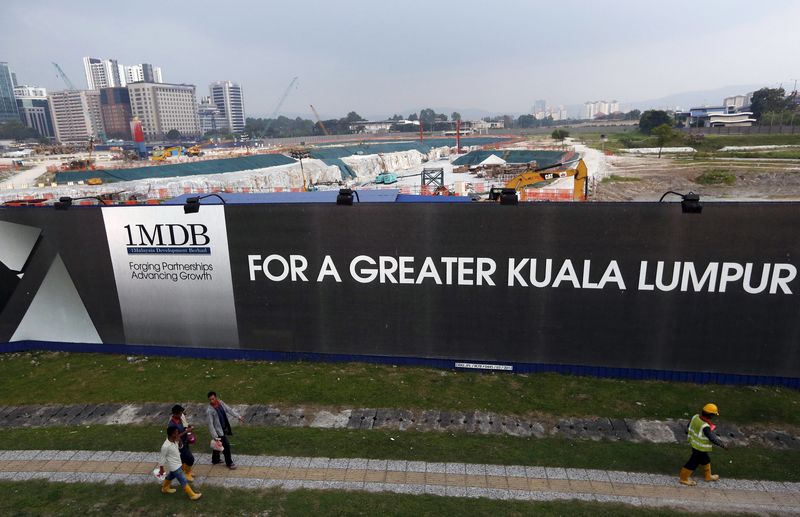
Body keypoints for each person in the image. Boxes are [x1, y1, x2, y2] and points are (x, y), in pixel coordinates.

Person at [679, 403, 730, 486]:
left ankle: (708, 476)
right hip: (700, 447)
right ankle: (683, 478)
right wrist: (723, 445)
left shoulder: (695, 417)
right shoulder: (705, 426)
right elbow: (712, 438)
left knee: (705, 460)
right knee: (693, 463)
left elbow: (689, 426)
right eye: (713, 415)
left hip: (694, 443)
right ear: (710, 415)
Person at [158, 426, 202, 500]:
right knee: (183, 480)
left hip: (178, 463)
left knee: (171, 476)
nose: (178, 433)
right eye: (176, 432)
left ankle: (165, 488)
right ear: (172, 434)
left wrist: (180, 441)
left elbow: (181, 447)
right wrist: (161, 469)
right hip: (174, 466)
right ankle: (192, 495)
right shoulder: (165, 446)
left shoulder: (175, 440)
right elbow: (162, 459)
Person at [206, 390, 245, 469]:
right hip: (218, 432)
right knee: (226, 446)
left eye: (213, 399)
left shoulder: (221, 403)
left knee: (218, 445)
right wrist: (215, 437)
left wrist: (238, 416)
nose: (212, 401)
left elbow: (229, 410)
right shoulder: (209, 411)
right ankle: (229, 463)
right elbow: (210, 425)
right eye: (210, 399)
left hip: (224, 427)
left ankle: (215, 459)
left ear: (216, 397)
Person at [167, 404, 195, 481]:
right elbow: (175, 437)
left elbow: (184, 425)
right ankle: (186, 474)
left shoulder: (179, 418)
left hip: (184, 441)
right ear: (175, 414)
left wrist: (188, 426)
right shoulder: (171, 425)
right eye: (180, 413)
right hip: (179, 445)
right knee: (190, 459)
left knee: (183, 459)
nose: (181, 414)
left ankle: (187, 471)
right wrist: (187, 431)